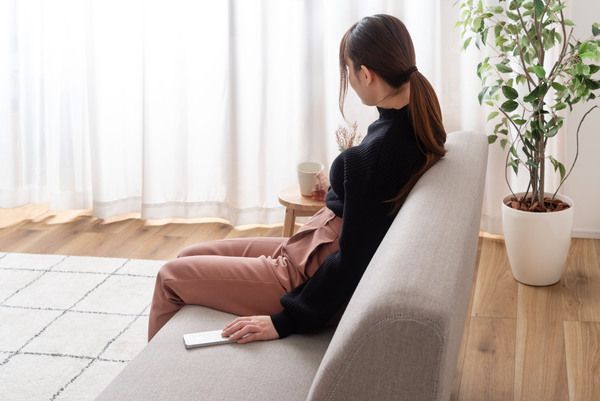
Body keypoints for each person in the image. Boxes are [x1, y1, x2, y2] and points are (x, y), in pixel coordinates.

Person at [147, 13, 447, 344]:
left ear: (366, 74)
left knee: (169, 277)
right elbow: (369, 206)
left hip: (301, 272)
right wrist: (339, 190)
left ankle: (154, 373)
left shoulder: (377, 154)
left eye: (348, 70)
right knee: (187, 256)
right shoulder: (416, 125)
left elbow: (352, 262)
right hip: (306, 248)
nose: (348, 79)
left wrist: (285, 320)